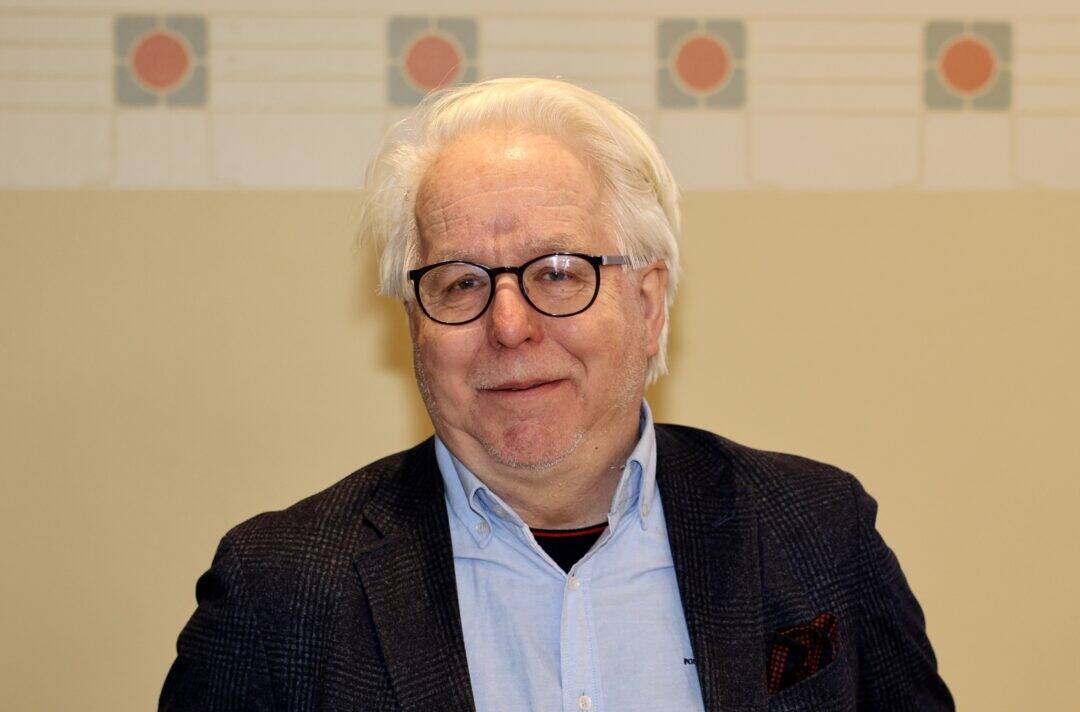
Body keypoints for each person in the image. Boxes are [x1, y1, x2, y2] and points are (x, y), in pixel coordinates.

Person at [160, 78, 954, 711]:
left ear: (650, 305)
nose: (509, 326)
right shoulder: (279, 590)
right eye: (461, 282)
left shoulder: (818, 532)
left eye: (559, 273)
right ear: (414, 325)